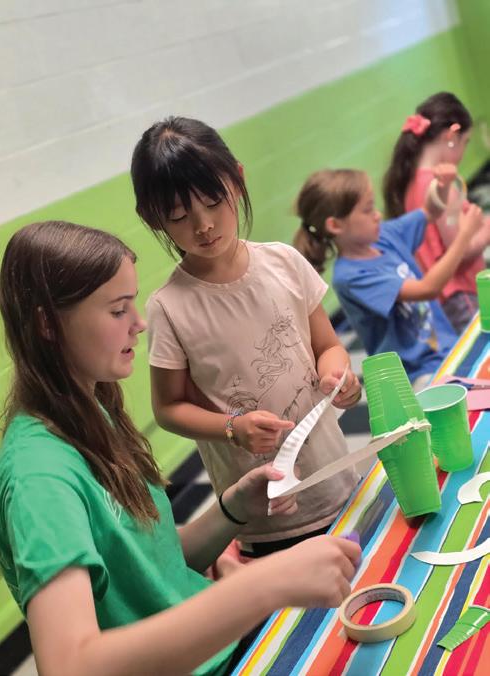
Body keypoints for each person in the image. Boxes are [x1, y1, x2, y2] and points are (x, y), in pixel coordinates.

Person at [0, 220, 361, 676]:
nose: (139, 324)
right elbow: (70, 665)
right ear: (47, 323)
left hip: (225, 650)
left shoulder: (94, 415)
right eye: (118, 310)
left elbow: (154, 565)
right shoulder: (39, 478)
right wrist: (264, 585)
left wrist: (234, 508)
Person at [131, 116, 362, 560]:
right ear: (152, 217)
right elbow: (168, 408)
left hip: (336, 481)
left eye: (213, 202)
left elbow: (328, 346)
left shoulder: (284, 262)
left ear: (236, 180)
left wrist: (338, 374)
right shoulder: (169, 307)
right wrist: (232, 429)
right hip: (268, 516)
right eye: (179, 216)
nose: (203, 225)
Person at [293, 165, 483, 391]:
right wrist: (464, 237)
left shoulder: (384, 236)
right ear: (335, 225)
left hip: (447, 353)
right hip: (416, 375)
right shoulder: (351, 277)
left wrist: (442, 186)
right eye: (367, 210)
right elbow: (428, 288)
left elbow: (429, 212)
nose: (378, 215)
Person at [383, 91, 490, 333]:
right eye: (465, 142)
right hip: (461, 293)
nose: (463, 151)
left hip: (443, 299)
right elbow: (461, 248)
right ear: (451, 136)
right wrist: (486, 230)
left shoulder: (410, 183)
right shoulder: (440, 186)